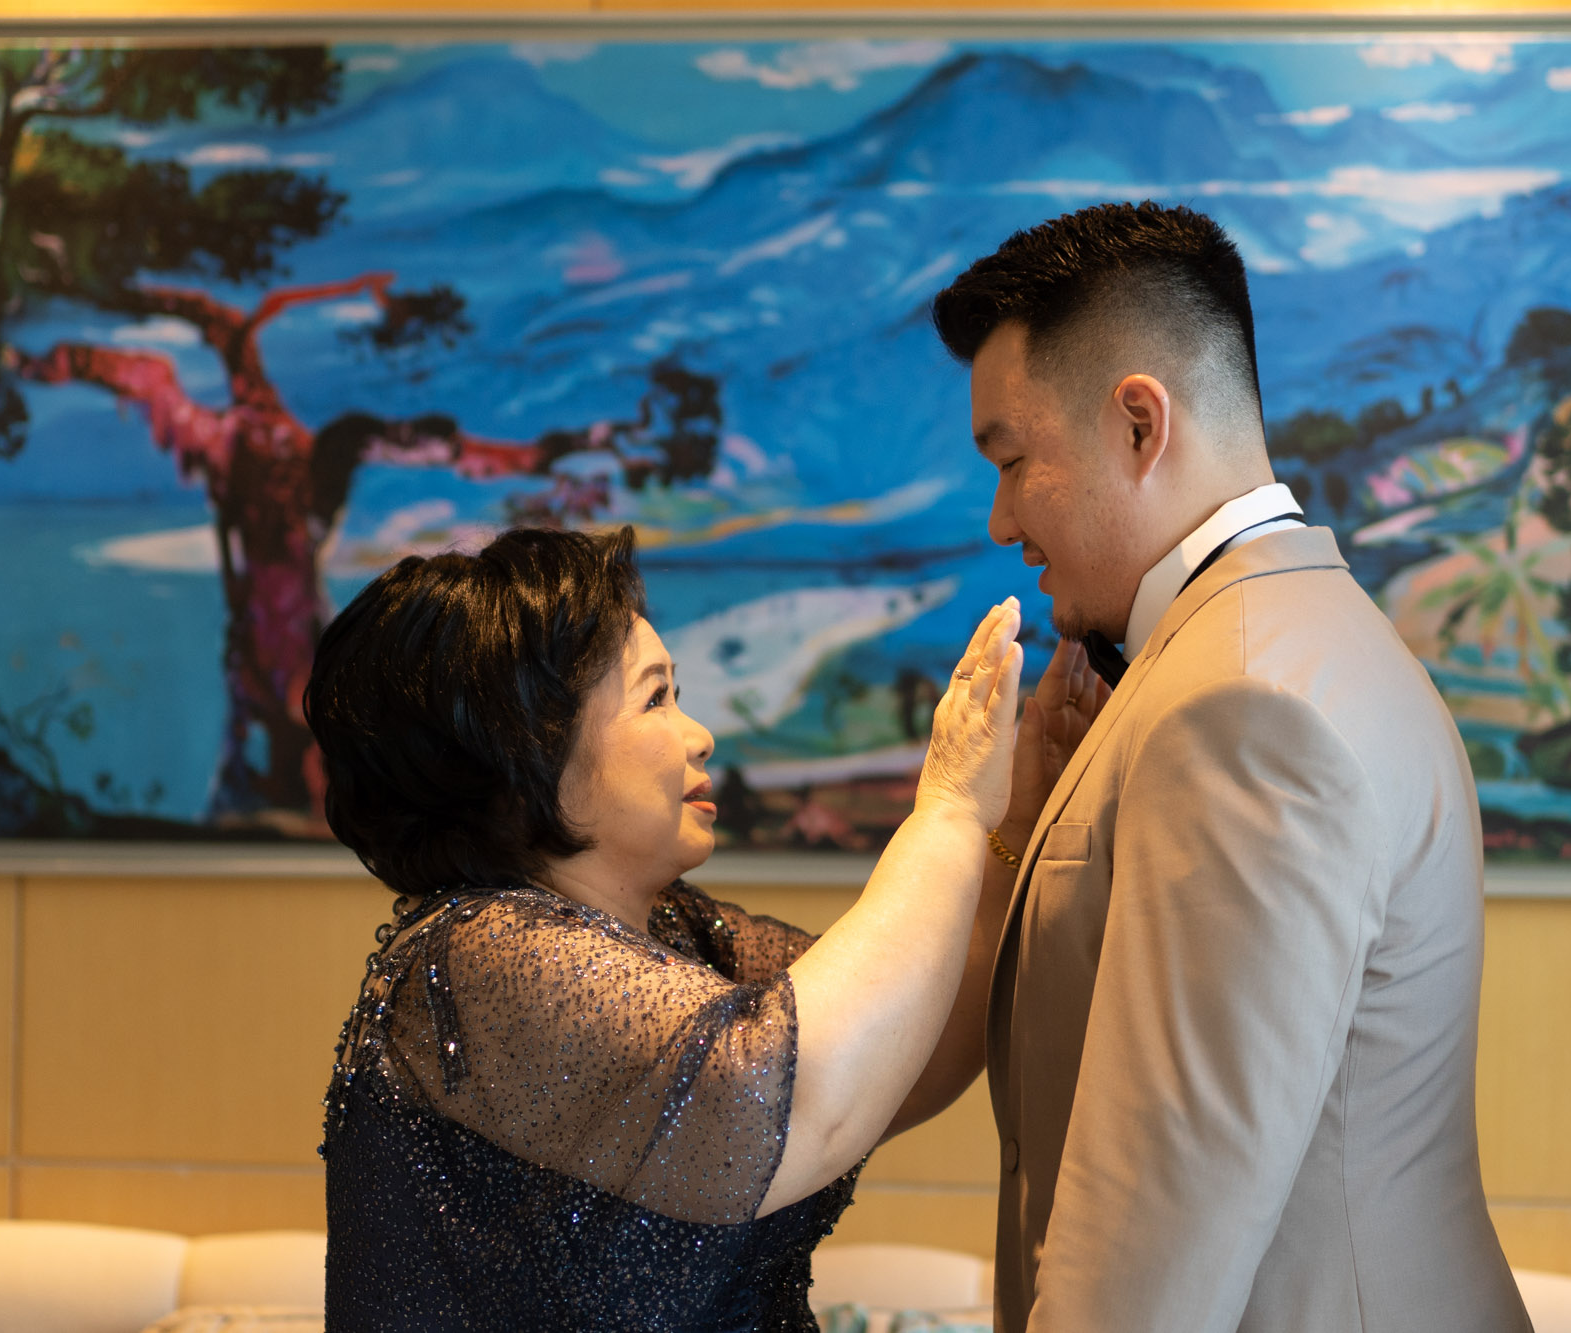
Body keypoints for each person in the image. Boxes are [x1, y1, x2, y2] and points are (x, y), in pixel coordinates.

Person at [920, 202, 1533, 1331]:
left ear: (1138, 424)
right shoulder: (1280, 639)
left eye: (1012, 461)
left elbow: (1144, 1283)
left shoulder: (1240, 707)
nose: (1001, 518)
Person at [304, 526, 1061, 1332]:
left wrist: (1010, 818)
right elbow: (807, 1093)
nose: (700, 734)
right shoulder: (477, 954)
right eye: (656, 697)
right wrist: (949, 807)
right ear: (527, 751)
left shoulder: (674, 924)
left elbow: (904, 1049)